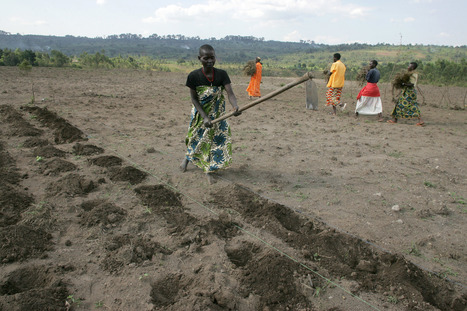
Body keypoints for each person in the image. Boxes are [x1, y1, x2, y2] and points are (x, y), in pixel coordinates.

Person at [180, 44, 241, 184]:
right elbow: (194, 99)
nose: (209, 61)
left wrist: (235, 106)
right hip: (200, 115)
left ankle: (209, 170)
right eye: (205, 58)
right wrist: (205, 117)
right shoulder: (193, 76)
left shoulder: (222, 74)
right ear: (199, 58)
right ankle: (187, 158)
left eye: (212, 57)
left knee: (214, 141)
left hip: (218, 115)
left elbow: (230, 93)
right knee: (196, 138)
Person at [388, 62, 424, 126]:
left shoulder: (413, 74)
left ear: (412, 67)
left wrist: (403, 84)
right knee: (400, 104)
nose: (408, 67)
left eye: (409, 66)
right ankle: (395, 119)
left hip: (409, 92)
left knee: (411, 105)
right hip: (407, 91)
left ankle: (420, 120)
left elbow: (412, 84)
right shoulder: (411, 74)